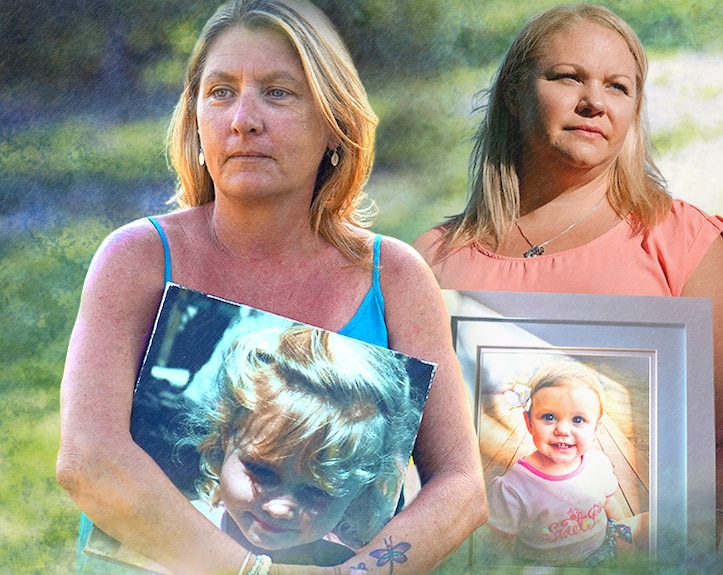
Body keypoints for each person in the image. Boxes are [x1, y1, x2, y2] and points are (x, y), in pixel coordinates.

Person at [56, 1, 486, 574]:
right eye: (221, 92)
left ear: (335, 126)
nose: (243, 119)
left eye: (279, 92)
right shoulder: (136, 260)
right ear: (196, 120)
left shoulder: (396, 277)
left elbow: (462, 487)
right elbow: (87, 460)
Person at [413, 3, 723, 548]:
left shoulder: (684, 243)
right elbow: (402, 460)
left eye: (617, 87)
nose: (594, 102)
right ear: (514, 93)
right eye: (567, 77)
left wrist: (698, 527)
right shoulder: (431, 262)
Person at [186, 326, 426, 567]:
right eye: (262, 471)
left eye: (316, 492)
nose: (279, 509)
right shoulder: (178, 528)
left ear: (359, 494)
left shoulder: (345, 568)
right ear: (226, 437)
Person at [486, 359, 643, 567]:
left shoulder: (598, 464)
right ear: (529, 422)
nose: (562, 429)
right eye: (549, 417)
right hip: (544, 565)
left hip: (601, 549)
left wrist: (621, 533)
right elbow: (502, 542)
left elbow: (609, 503)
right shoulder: (514, 487)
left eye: (578, 420)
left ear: (595, 428)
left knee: (651, 523)